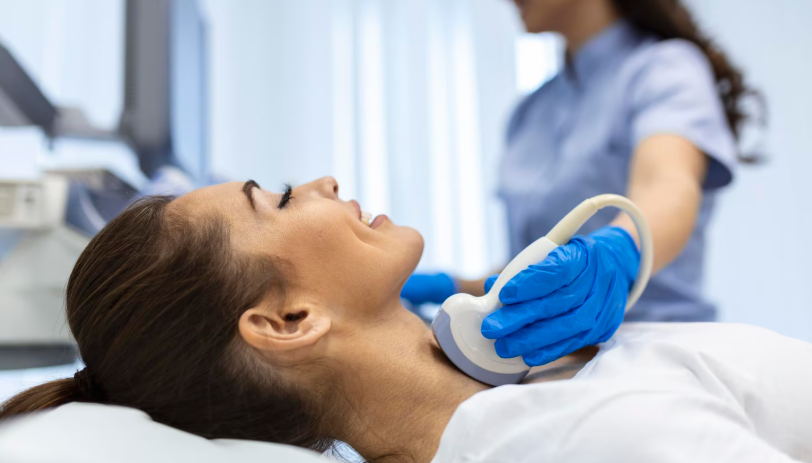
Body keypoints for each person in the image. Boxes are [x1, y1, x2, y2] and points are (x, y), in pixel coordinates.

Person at [1, 178, 809, 463]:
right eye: (278, 199)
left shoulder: (524, 386)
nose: (320, 178)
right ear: (287, 320)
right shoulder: (574, 437)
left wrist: (623, 243)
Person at [402, 0, 765, 367]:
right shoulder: (530, 112)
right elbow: (541, 269)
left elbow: (668, 185)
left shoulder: (665, 70)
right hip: (547, 370)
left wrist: (621, 249)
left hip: (660, 357)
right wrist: (455, 288)